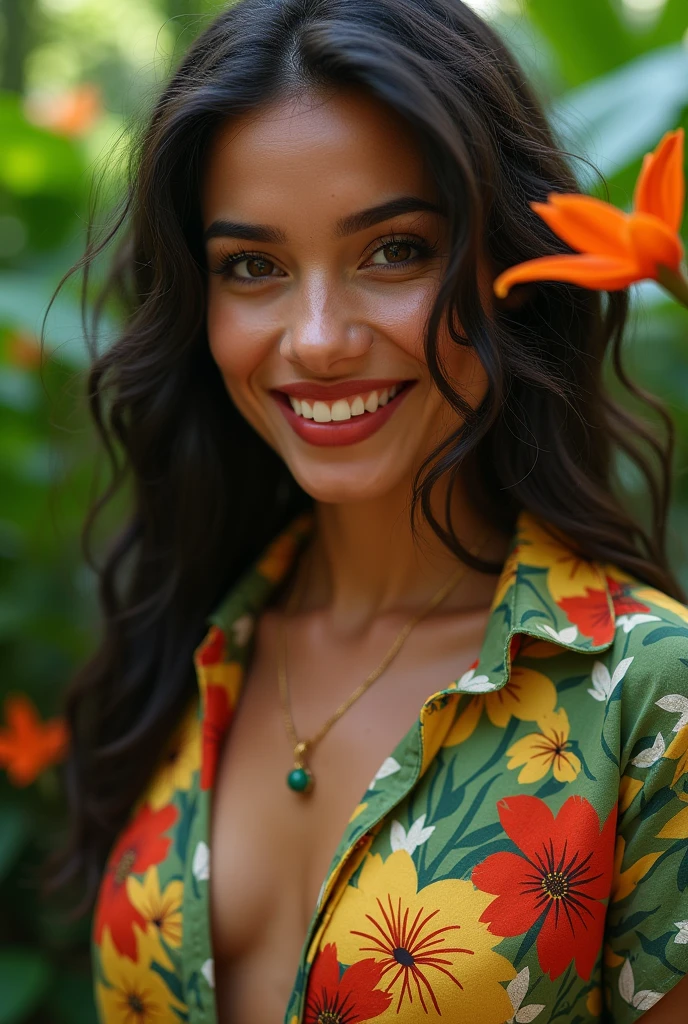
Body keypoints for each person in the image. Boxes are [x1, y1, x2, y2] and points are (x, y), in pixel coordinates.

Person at [54, 0, 688, 1021]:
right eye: (251, 267)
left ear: (507, 268)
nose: (314, 339)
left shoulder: (647, 696)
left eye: (392, 250)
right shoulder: (187, 638)